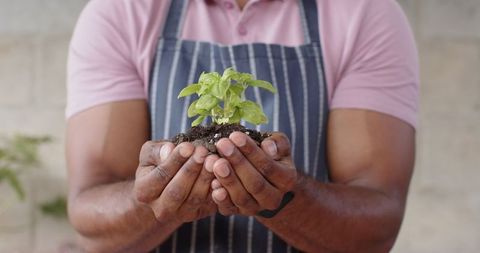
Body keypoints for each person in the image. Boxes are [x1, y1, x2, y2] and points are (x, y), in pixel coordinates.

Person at [65, 0, 419, 252]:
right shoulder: (120, 11)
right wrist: (157, 198)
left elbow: (378, 227)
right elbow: (90, 222)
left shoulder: (365, 12)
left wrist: (282, 197)